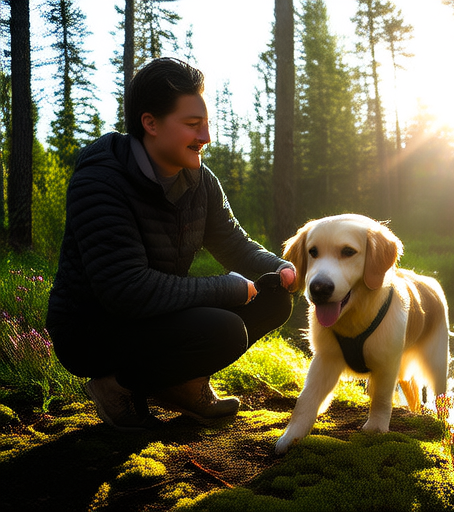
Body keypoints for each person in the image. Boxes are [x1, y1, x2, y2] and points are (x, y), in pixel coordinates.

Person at [46, 57, 297, 431]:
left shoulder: (200, 180)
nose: (206, 137)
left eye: (206, 124)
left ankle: (180, 385)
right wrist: (225, 289)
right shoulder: (100, 181)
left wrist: (282, 268)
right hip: (94, 331)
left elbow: (234, 243)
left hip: (153, 317)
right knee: (224, 330)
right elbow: (126, 290)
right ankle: (113, 386)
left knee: (275, 298)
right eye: (193, 125)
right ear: (150, 123)